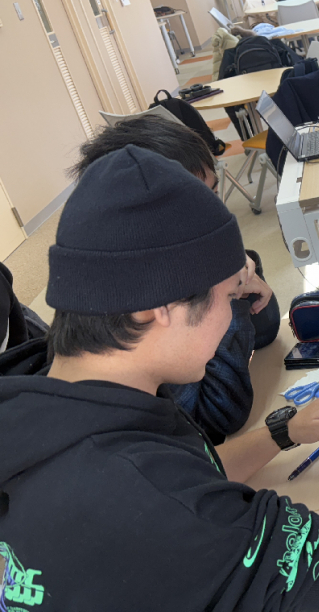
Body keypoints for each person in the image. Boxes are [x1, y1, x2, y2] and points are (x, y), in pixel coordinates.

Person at [0, 146, 319, 610]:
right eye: (231, 296)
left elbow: (195, 475)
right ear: (156, 307)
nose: (235, 317)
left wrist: (283, 431)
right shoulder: (144, 494)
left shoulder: (45, 401)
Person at [68, 115, 280, 444]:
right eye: (194, 204)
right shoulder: (145, 313)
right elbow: (221, 414)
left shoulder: (191, 262)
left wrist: (233, 282)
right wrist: (230, 295)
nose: (216, 215)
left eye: (213, 194)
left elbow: (266, 329)